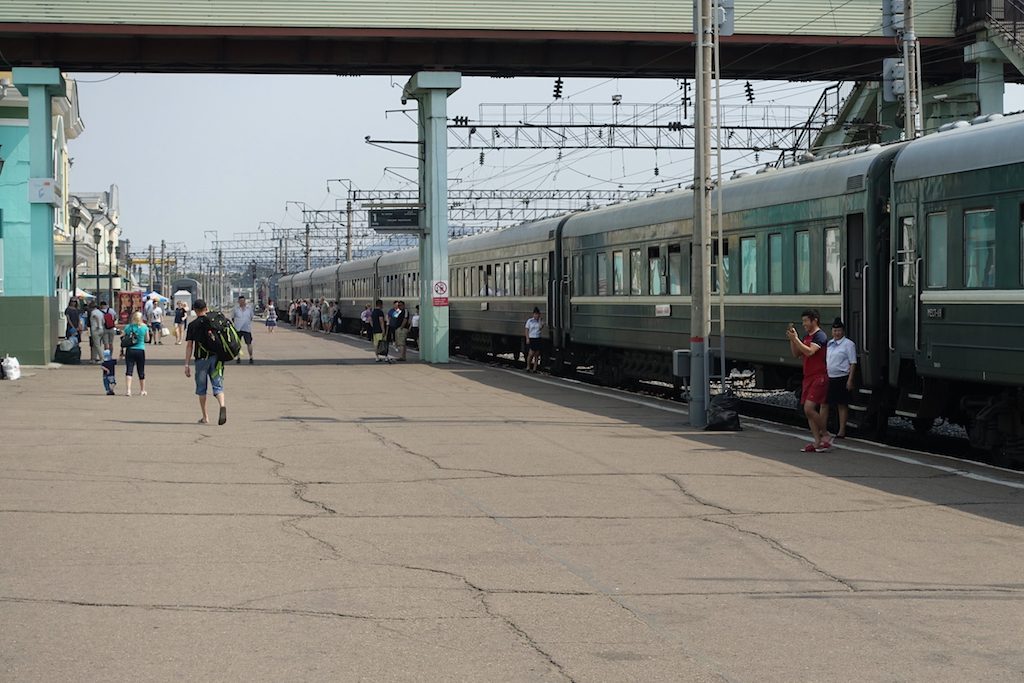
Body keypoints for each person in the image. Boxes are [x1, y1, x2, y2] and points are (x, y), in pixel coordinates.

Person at [787, 309, 831, 452]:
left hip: (819, 376)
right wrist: (793, 340)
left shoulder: (820, 336)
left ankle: (826, 434)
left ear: (815, 320)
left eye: (806, 321)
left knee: (809, 408)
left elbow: (810, 351)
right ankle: (817, 442)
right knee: (808, 411)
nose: (804, 324)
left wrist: (797, 340)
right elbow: (796, 354)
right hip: (808, 377)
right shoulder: (806, 336)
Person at [184, 299, 227, 425]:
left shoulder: (193, 325)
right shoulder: (213, 322)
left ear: (195, 310)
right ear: (206, 308)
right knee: (217, 385)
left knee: (202, 389)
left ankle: (205, 417)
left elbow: (189, 346)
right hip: (216, 359)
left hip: (201, 360)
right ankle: (222, 405)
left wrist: (186, 364)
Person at [823, 318, 857, 439]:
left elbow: (853, 362)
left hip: (842, 377)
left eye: (839, 330)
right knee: (825, 403)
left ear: (843, 331)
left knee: (841, 405)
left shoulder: (848, 344)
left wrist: (850, 379)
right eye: (835, 330)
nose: (837, 332)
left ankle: (842, 430)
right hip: (829, 377)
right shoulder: (829, 344)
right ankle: (823, 428)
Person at [122, 311, 149, 397]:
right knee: (141, 370)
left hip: (130, 350)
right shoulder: (144, 327)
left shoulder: (128, 327)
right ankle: (142, 390)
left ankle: (128, 390)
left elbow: (123, 337)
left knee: (129, 370)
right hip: (140, 350)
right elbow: (147, 339)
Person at [232, 294, 255, 364]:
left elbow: (251, 317)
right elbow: (233, 318)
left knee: (249, 343)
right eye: (240, 301)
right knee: (238, 344)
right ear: (238, 302)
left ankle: (251, 357)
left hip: (246, 328)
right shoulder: (235, 309)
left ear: (245, 301)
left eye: (243, 301)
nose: (242, 302)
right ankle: (238, 357)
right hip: (238, 328)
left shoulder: (249, 309)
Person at [371, 299, 392, 363]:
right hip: (379, 330)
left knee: (376, 344)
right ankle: (386, 357)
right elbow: (381, 321)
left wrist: (373, 326)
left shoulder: (373, 311)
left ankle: (377, 357)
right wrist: (383, 330)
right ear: (380, 304)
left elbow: (370, 320)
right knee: (383, 343)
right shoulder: (380, 312)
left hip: (374, 330)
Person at [525, 307, 544, 373]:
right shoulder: (529, 321)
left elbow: (541, 327)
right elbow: (527, 330)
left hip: (538, 338)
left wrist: (539, 321)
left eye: (537, 314)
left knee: (537, 354)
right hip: (531, 338)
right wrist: (527, 338)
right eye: (535, 314)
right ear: (533, 314)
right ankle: (528, 366)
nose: (536, 315)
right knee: (531, 353)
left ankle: (534, 368)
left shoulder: (540, 321)